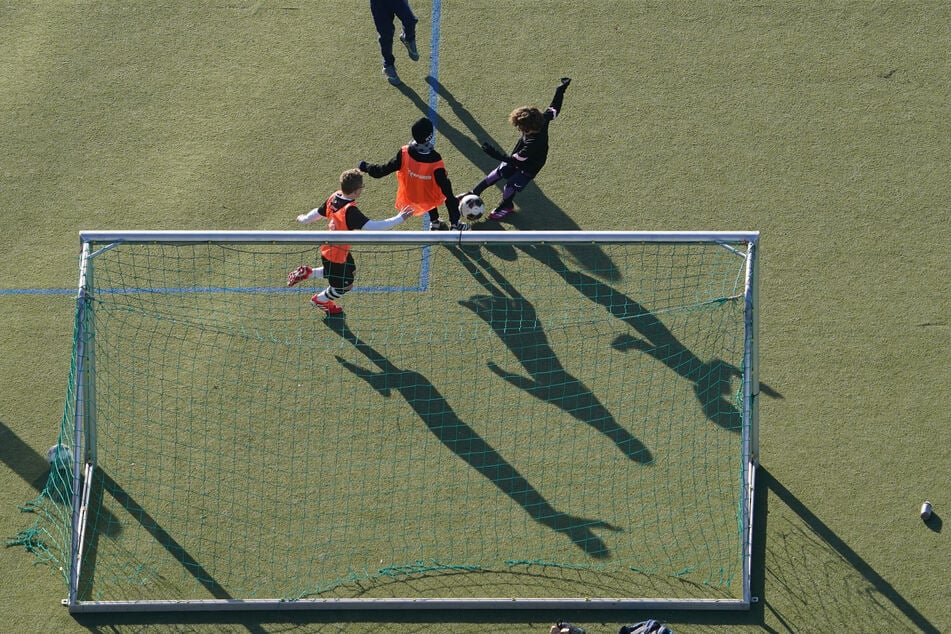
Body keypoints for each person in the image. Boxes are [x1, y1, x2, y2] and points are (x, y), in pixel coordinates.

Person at [286, 169, 413, 315]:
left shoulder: (335, 196)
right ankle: (319, 300)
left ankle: (308, 272)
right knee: (344, 287)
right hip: (335, 255)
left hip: (338, 250)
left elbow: (318, 212)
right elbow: (375, 227)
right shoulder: (350, 212)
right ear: (356, 191)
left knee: (350, 271)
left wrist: (304, 219)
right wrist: (400, 218)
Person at [469, 77, 571, 220]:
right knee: (498, 172)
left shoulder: (533, 144)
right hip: (519, 157)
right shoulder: (542, 118)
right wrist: (561, 89)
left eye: (521, 128)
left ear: (530, 128)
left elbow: (514, 161)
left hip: (530, 166)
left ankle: (507, 205)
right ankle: (473, 192)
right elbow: (555, 108)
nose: (519, 129)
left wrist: (494, 154)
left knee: (509, 186)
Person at [358, 117, 469, 231]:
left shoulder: (404, 153)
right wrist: (453, 211)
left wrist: (365, 166)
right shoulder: (435, 160)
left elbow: (382, 171)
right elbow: (447, 192)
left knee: (424, 190)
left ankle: (435, 223)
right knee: (444, 195)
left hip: (412, 196)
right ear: (430, 136)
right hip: (429, 196)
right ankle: (455, 225)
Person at [370, 0, 419, 86]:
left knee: (410, 20)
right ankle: (388, 65)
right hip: (378, 3)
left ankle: (407, 38)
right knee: (386, 34)